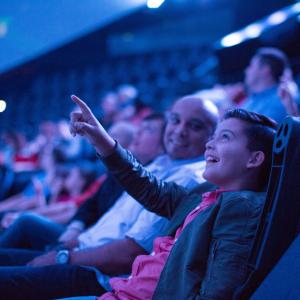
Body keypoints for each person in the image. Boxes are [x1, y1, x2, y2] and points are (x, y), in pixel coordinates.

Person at [0, 95, 277, 299]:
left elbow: (218, 292)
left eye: (224, 137)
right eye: (214, 136)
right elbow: (149, 188)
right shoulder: (206, 194)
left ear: (254, 158)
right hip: (122, 290)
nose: (210, 144)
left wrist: (65, 257)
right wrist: (101, 139)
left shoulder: (240, 208)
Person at [241, 47, 291, 123]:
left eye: (251, 66)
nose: (246, 71)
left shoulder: (280, 102)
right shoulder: (252, 98)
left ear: (265, 69)